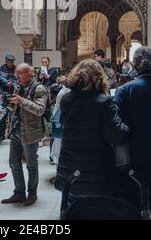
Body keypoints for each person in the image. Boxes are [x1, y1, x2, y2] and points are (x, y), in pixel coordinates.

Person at [115, 47, 151, 220]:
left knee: (132, 204)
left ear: (136, 63)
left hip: (135, 159)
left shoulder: (126, 90)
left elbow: (117, 126)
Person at [55, 59, 129, 196]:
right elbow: (116, 135)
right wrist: (127, 126)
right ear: (100, 77)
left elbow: (63, 125)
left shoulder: (66, 99)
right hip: (96, 171)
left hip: (69, 170)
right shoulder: (104, 102)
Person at [1, 64, 48, 206]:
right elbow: (15, 108)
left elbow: (39, 109)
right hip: (16, 130)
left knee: (31, 164)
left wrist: (21, 100)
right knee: (13, 162)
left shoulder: (39, 88)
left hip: (31, 131)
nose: (17, 77)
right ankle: (19, 193)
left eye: (20, 74)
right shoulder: (19, 87)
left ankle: (32, 193)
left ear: (30, 73)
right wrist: (8, 102)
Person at [0, 54, 17, 143]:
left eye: (11, 62)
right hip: (4, 95)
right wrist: (6, 82)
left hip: (14, 95)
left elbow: (18, 80)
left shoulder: (16, 69)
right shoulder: (1, 69)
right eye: (8, 62)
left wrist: (12, 83)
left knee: (14, 116)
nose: (10, 63)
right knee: (2, 116)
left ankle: (12, 134)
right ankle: (1, 135)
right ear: (6, 61)